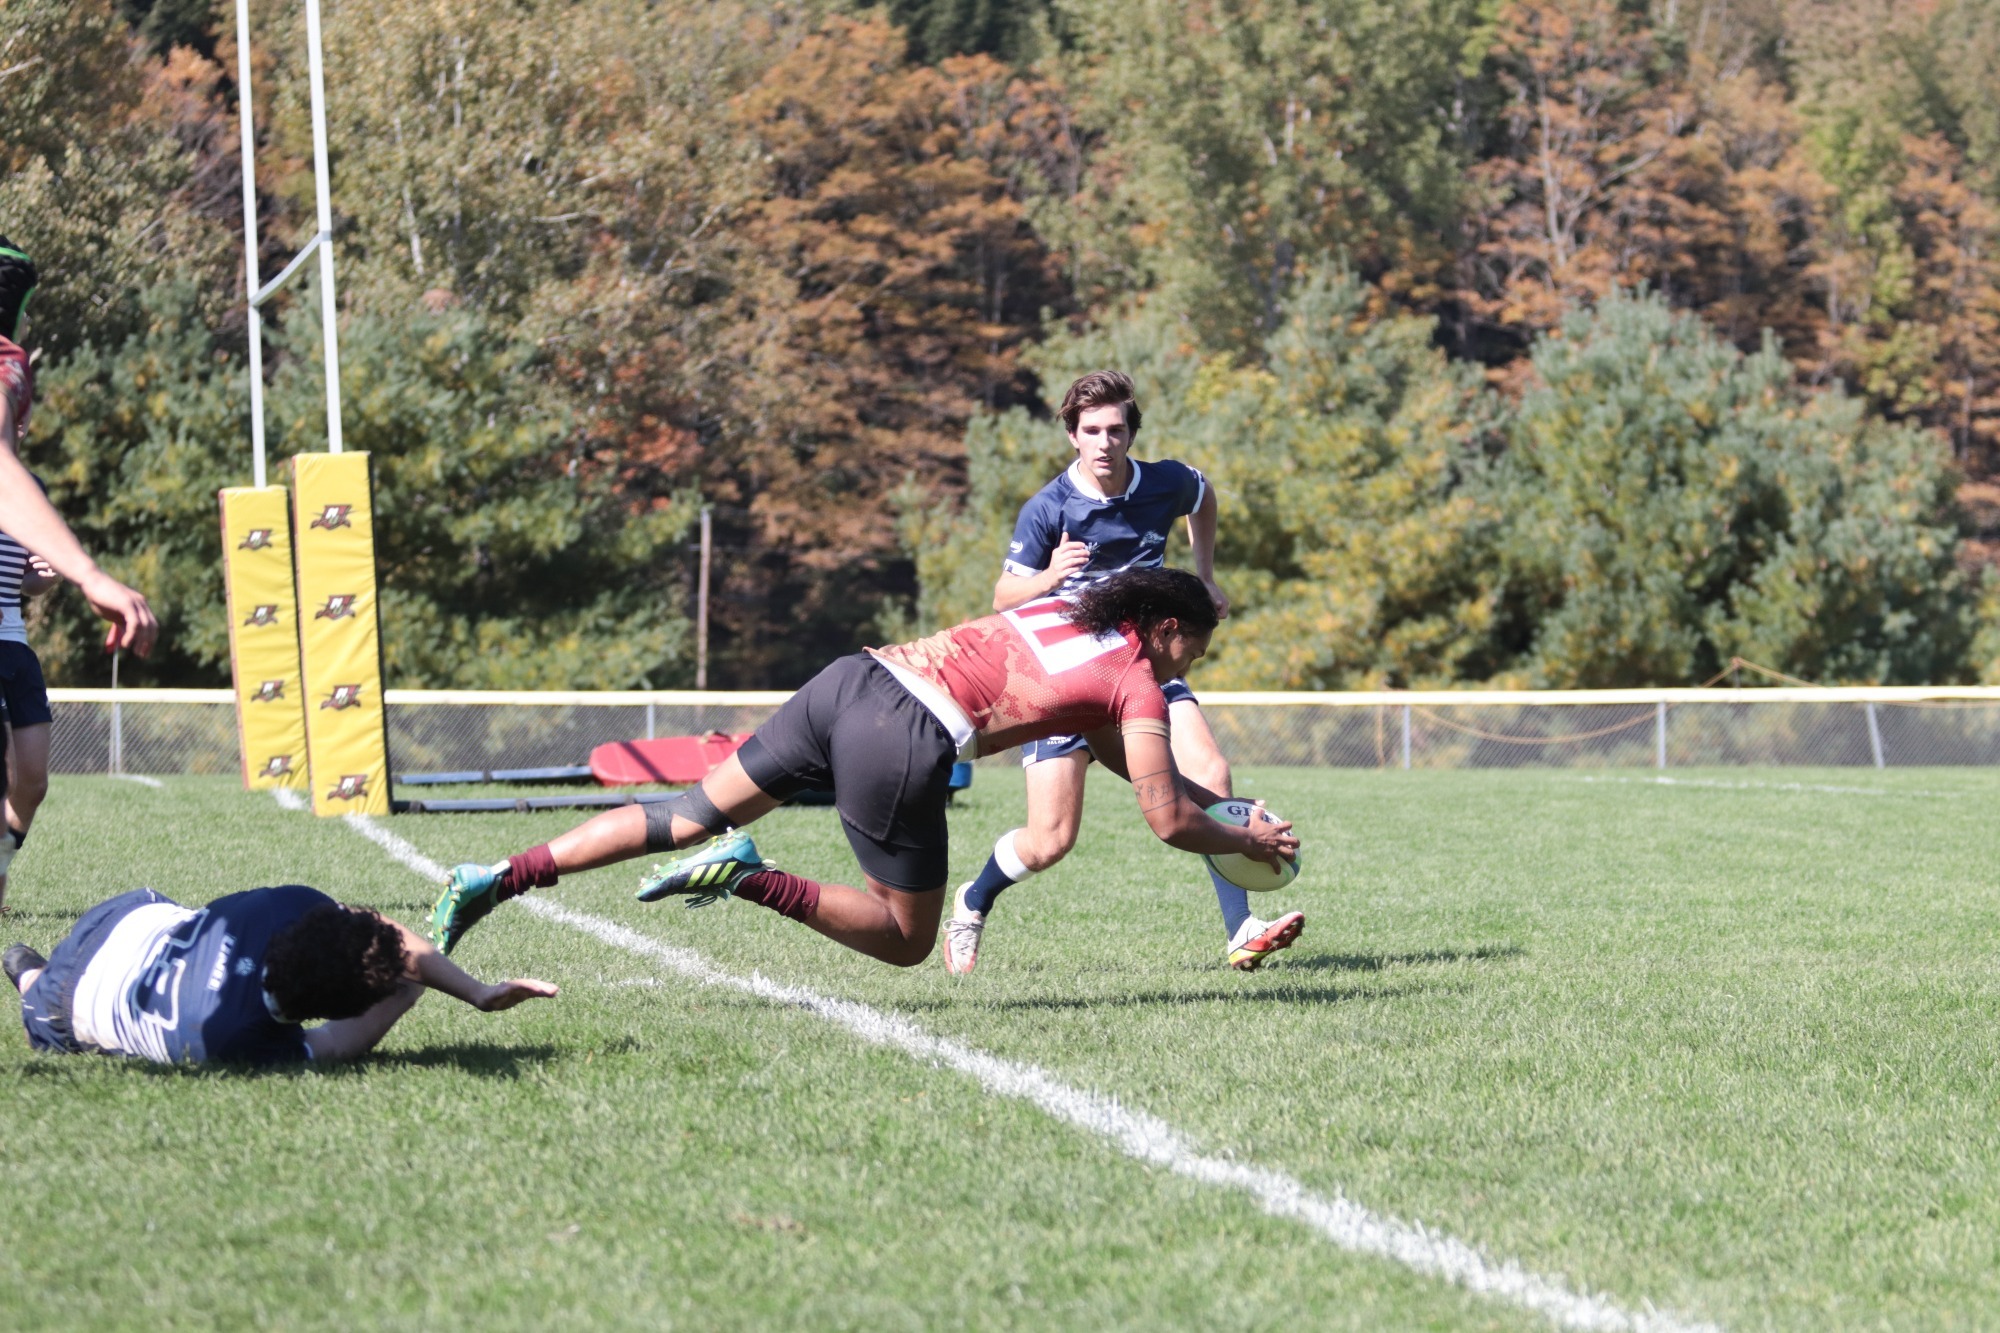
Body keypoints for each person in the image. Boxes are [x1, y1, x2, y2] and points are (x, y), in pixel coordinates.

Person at [429, 568, 1299, 967]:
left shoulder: (1077, 609)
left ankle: (497, 875)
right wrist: (1246, 838)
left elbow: (1126, 762)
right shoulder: (1136, 677)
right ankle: (748, 878)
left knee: (683, 814)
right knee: (905, 938)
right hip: (903, 734)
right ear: (1166, 626)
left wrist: (1229, 812)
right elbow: (1166, 819)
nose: (1193, 663)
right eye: (1196, 646)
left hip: (850, 680)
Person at [942, 370, 1304, 976]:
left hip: (1141, 668)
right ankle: (973, 901)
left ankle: (1242, 929)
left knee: (1209, 773)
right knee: (1050, 841)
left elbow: (1203, 495)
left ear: (1131, 433)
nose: (1104, 442)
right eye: (1091, 431)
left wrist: (1206, 574)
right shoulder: (1049, 508)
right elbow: (1004, 597)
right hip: (1066, 681)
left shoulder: (1164, 482)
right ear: (1072, 435)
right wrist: (1050, 576)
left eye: (1115, 429)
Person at [4, 884, 556, 1066]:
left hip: (128, 915)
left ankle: (33, 970)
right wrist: (406, 991)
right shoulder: (237, 1039)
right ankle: (29, 975)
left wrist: (477, 992)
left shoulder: (281, 907)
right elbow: (338, 1043)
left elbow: (372, 928)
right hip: (67, 996)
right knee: (46, 1010)